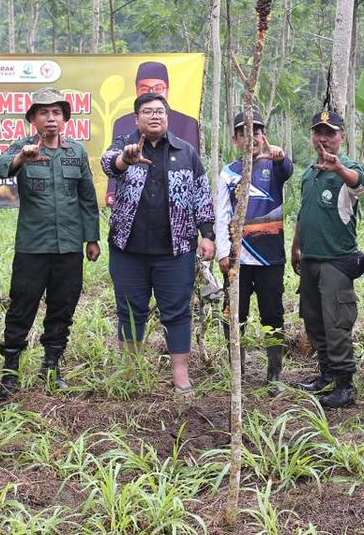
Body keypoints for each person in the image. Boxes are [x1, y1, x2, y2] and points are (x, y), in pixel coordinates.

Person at [101, 92, 215, 394]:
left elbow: (201, 195)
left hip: (175, 250)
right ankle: (131, 373)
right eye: (148, 111)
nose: (155, 116)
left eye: (161, 111)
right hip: (128, 250)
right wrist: (126, 158)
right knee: (129, 309)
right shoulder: (124, 146)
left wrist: (208, 235)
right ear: (137, 117)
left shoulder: (185, 151)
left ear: (168, 117)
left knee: (177, 311)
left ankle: (180, 375)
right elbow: (109, 165)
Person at [0, 88, 101, 399]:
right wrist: (20, 157)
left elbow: (87, 197)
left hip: (68, 246)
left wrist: (91, 238)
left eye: (56, 113)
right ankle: (10, 370)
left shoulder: (76, 152)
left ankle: (52, 365)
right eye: (43, 113)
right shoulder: (23, 147)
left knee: (62, 307)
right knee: (21, 307)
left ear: (64, 118)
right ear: (32, 119)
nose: (50, 118)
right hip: (33, 246)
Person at [291, 109, 364, 409]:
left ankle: (345, 385)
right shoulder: (310, 173)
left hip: (337, 260)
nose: (323, 138)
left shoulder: (348, 168)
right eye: (318, 132)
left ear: (341, 136)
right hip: (310, 259)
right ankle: (326, 374)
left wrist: (339, 169)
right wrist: (296, 247)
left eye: (330, 132)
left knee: (337, 323)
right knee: (314, 320)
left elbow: (359, 183)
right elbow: (302, 214)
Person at [213, 110, 294, 384]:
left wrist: (279, 156)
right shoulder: (228, 173)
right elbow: (222, 214)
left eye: (258, 132)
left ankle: (275, 374)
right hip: (237, 260)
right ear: (236, 139)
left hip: (270, 258)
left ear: (264, 136)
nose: (253, 137)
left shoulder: (274, 165)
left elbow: (287, 169)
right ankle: (239, 369)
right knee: (234, 314)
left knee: (273, 314)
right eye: (245, 132)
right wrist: (224, 252)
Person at [105, 61, 201, 205]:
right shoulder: (122, 127)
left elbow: (200, 189)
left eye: (158, 88)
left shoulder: (187, 130)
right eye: (145, 88)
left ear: (167, 91)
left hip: (174, 220)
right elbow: (108, 162)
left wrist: (206, 227)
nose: (152, 92)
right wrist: (124, 161)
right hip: (133, 222)